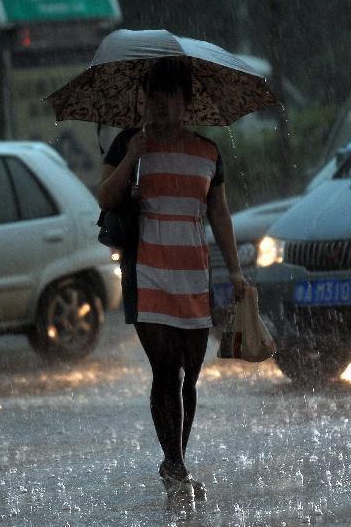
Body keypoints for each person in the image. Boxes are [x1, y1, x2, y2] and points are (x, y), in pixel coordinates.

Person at [98, 57, 250, 501]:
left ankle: (174, 460)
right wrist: (132, 158)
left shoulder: (207, 153)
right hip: (146, 275)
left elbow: (218, 213)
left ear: (187, 102)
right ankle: (177, 467)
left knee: (191, 374)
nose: (160, 104)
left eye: (170, 96)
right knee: (165, 368)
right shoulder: (128, 143)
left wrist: (236, 271)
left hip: (193, 278)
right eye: (153, 95)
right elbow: (105, 195)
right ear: (143, 100)